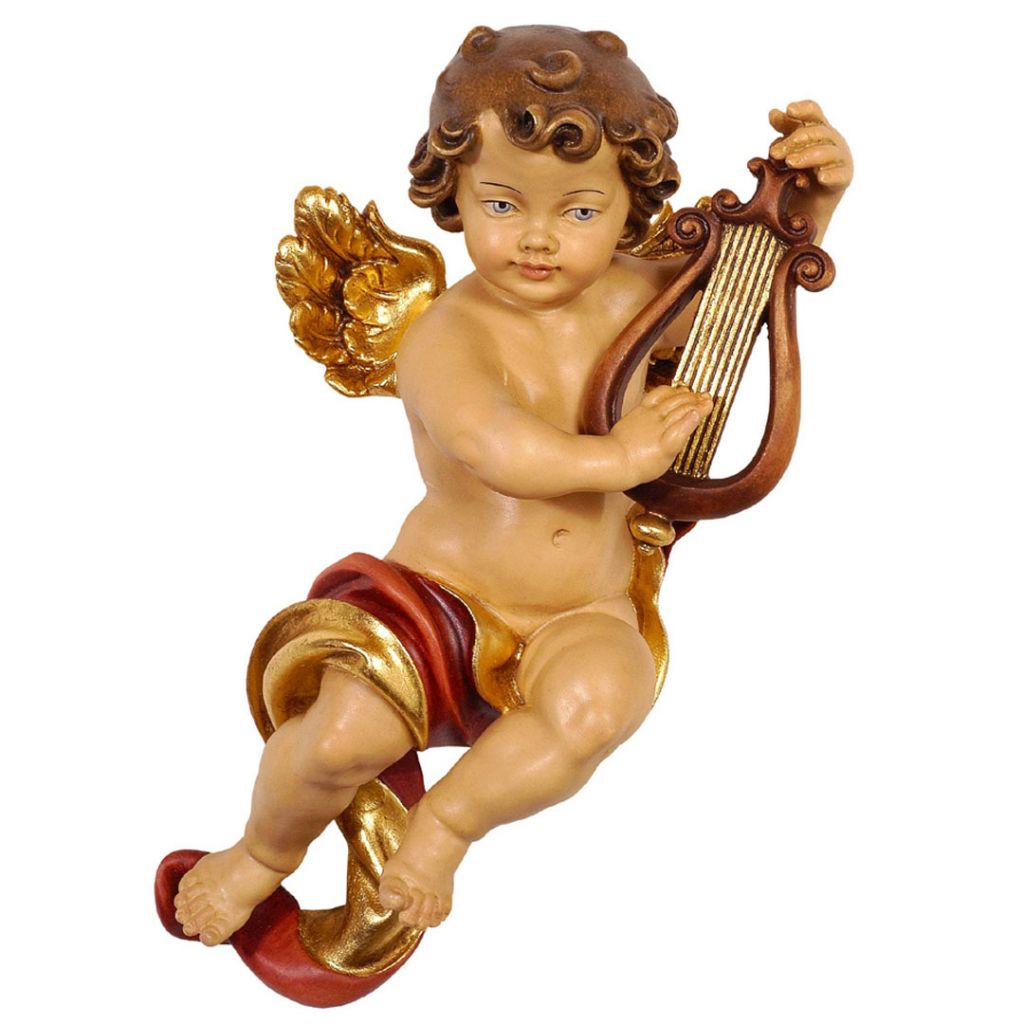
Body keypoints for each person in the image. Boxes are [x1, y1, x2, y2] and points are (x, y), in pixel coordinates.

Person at [174, 24, 852, 943]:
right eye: (502, 204)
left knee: (602, 703)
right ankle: (262, 851)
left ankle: (446, 827)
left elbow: (746, 300)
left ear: (632, 206)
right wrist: (621, 460)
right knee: (336, 745)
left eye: (579, 212)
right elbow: (493, 445)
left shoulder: (639, 296)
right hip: (439, 605)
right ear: (452, 194)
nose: (537, 239)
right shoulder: (447, 336)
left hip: (584, 606)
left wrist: (810, 205)